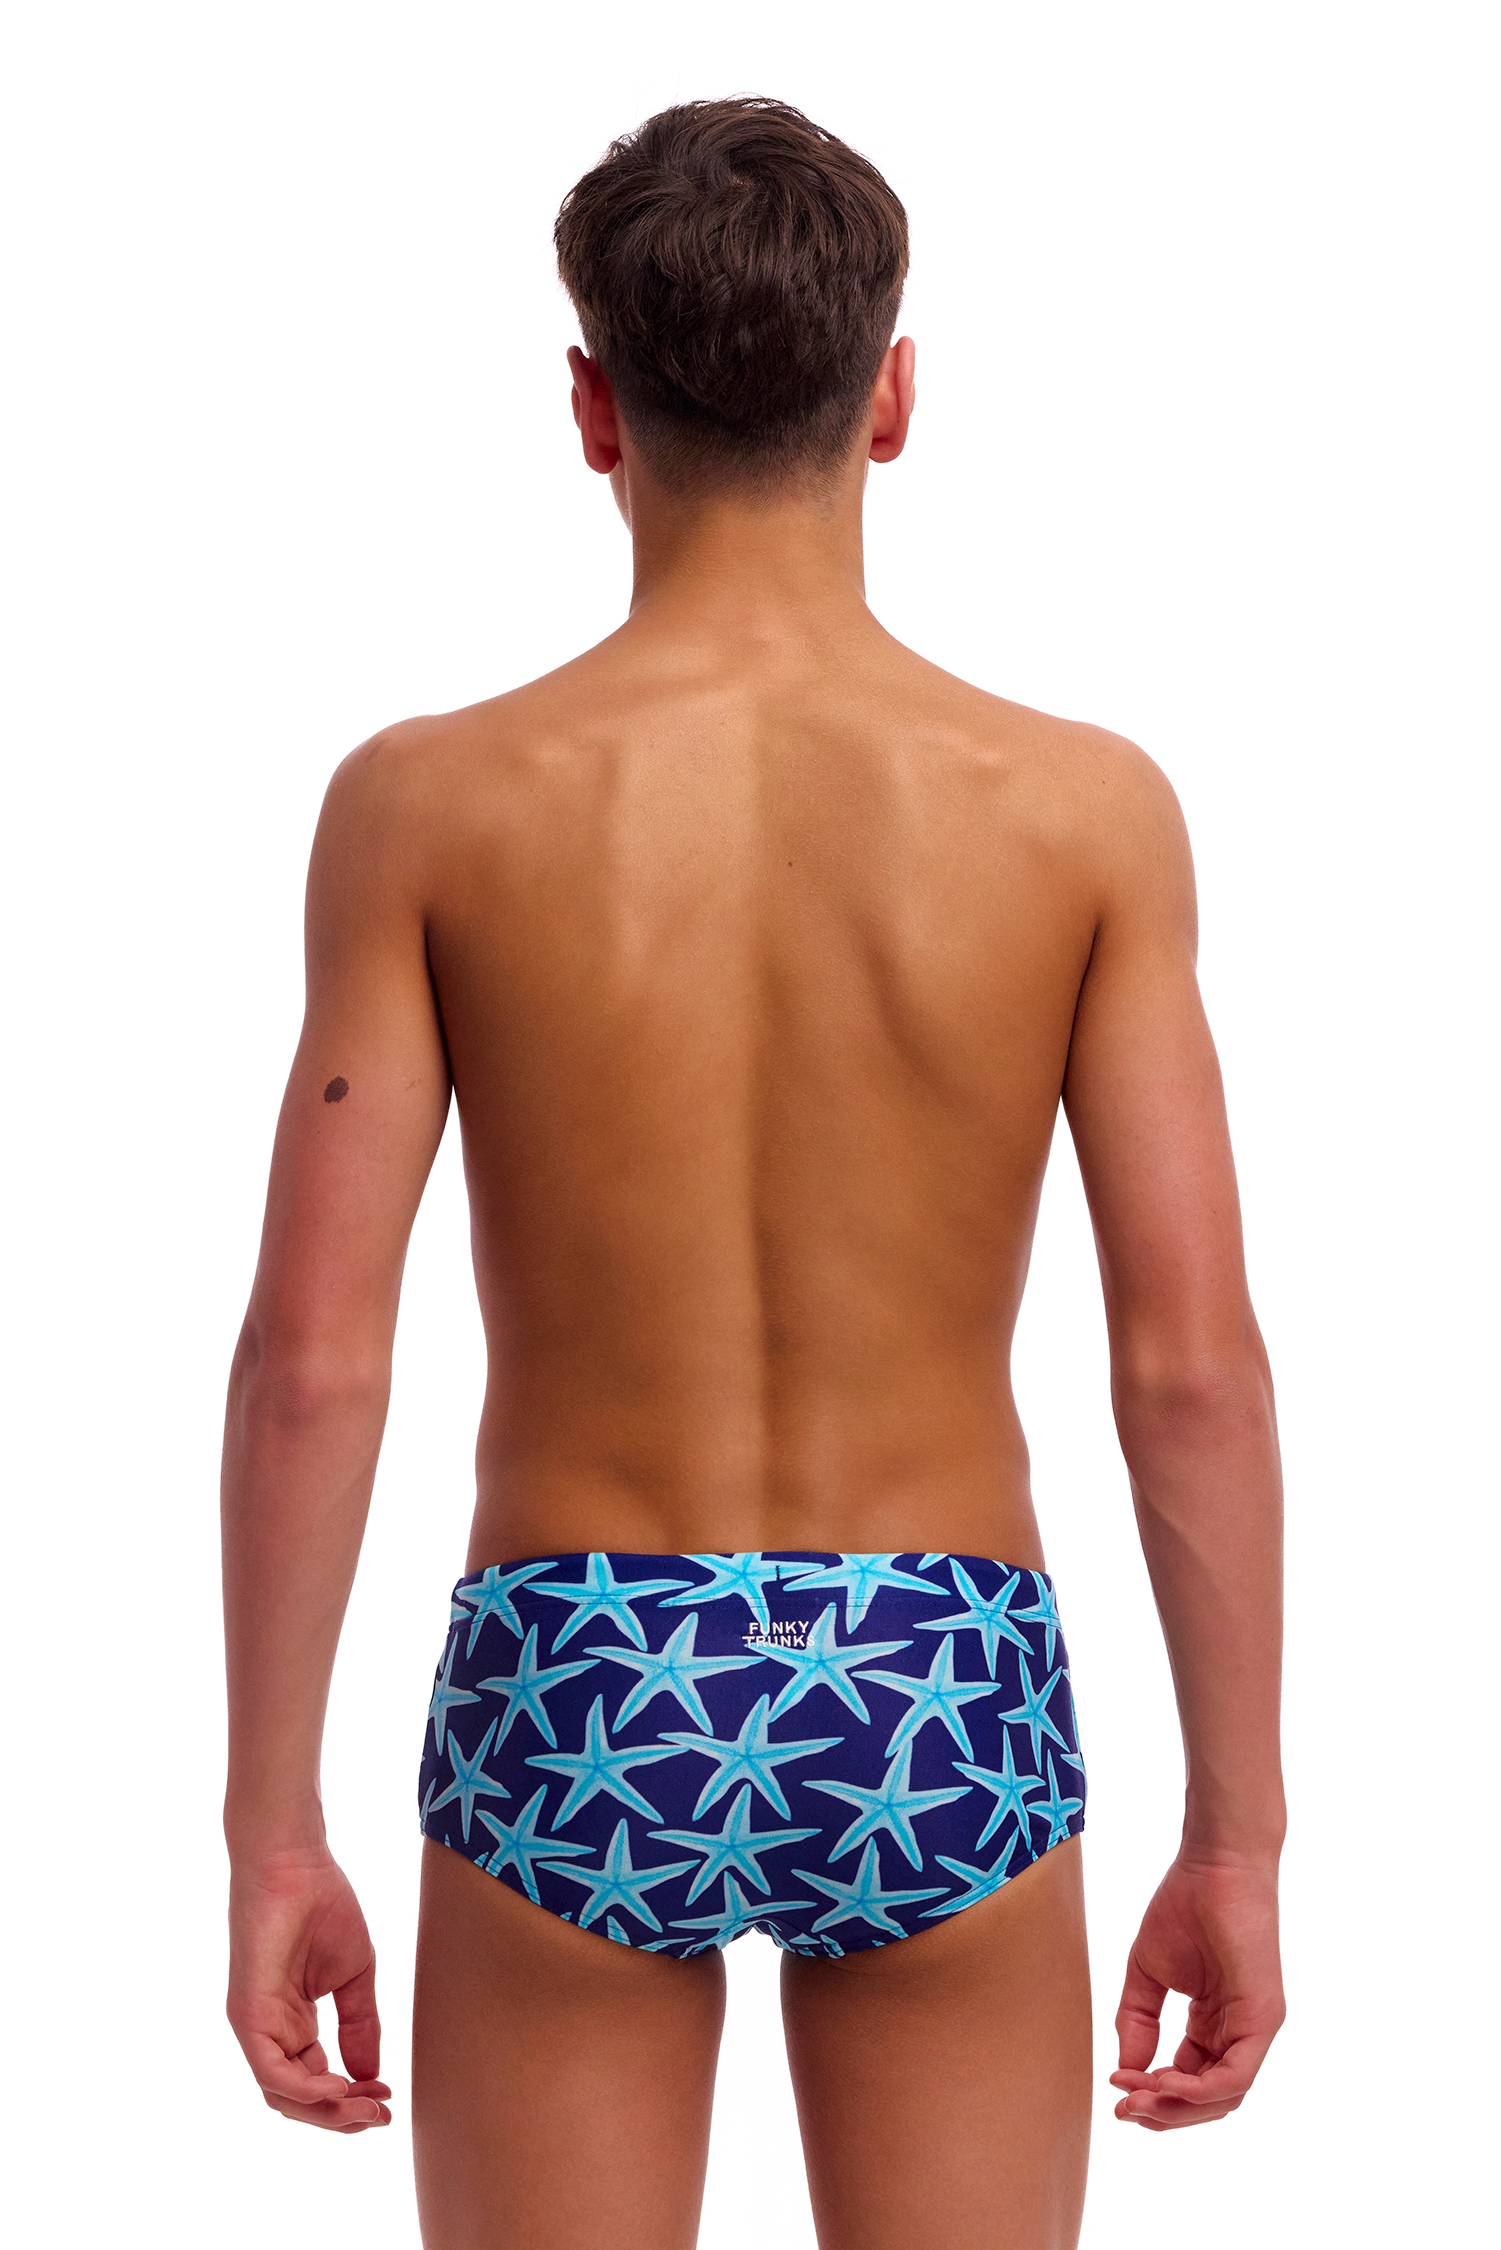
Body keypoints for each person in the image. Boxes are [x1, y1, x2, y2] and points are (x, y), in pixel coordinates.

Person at [221, 96, 1285, 2250]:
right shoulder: (1080, 812)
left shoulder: (428, 805)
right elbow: (1187, 1371)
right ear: (892, 397)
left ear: (592, 410)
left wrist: (270, 1831)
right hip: (937, 1673)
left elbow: (314, 1361)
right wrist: (1236, 1836)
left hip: (576, 1673)